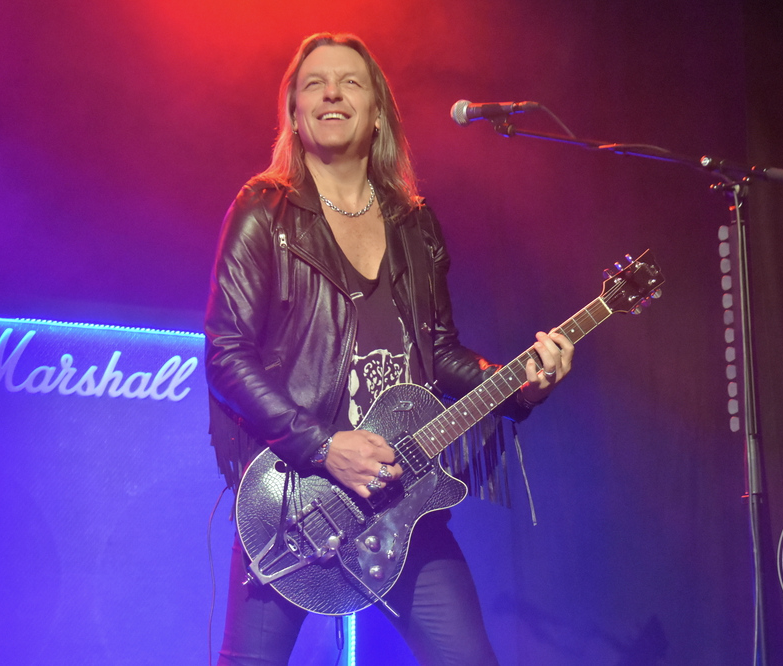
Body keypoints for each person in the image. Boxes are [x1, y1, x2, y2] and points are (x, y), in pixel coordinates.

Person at [204, 32, 573, 666]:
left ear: (377, 112)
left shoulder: (414, 223)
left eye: (350, 82)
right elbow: (225, 355)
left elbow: (440, 352)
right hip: (295, 499)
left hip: (401, 498)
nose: (331, 93)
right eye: (314, 83)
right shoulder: (263, 211)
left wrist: (521, 385)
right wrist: (324, 446)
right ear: (294, 111)